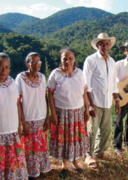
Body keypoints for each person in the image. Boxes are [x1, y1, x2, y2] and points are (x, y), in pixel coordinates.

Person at [48, 48, 90, 179]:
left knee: (75, 138)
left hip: (77, 111)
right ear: (61, 60)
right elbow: (49, 94)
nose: (68, 61)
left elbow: (84, 92)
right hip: (62, 112)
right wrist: (53, 113)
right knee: (64, 139)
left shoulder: (79, 73)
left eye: (70, 58)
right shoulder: (56, 74)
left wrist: (86, 109)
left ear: (74, 59)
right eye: (65, 59)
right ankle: (64, 164)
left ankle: (76, 162)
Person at [83, 33, 121, 167]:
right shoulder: (91, 60)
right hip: (95, 101)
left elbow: (114, 83)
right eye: (101, 44)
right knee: (92, 130)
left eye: (106, 44)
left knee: (105, 129)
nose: (104, 46)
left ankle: (99, 152)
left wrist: (117, 101)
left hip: (107, 101)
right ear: (97, 46)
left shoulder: (112, 61)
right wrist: (90, 105)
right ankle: (88, 154)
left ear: (110, 46)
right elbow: (86, 84)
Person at [15, 52, 51, 178]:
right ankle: (30, 173)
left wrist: (47, 117)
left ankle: (40, 169)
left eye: (39, 62)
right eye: (33, 62)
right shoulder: (20, 78)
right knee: (29, 149)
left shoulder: (42, 77)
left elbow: (45, 97)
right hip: (28, 119)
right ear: (27, 64)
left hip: (41, 117)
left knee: (41, 147)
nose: (36, 64)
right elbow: (17, 102)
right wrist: (22, 122)